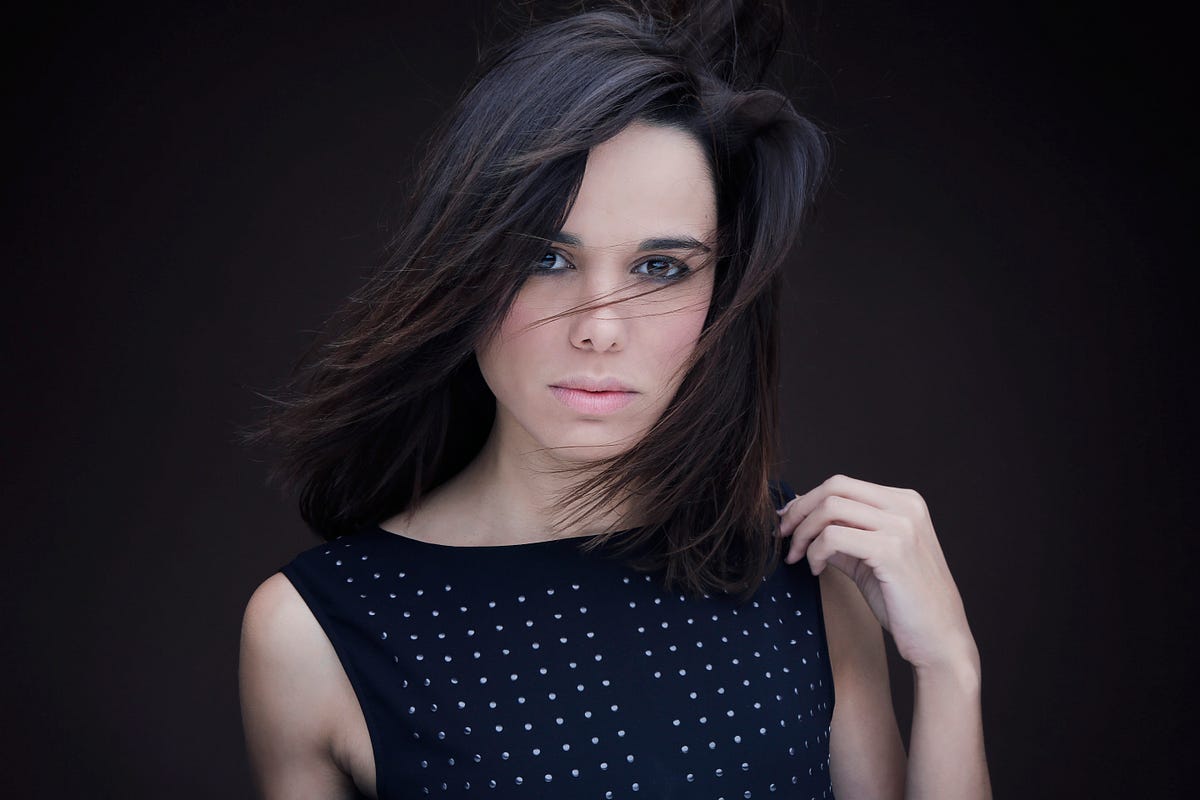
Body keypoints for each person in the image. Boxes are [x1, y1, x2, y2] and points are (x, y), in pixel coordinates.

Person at [238, 2, 992, 798]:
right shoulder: (313, 633)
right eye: (546, 259)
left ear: (720, 295)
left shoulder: (809, 570)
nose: (599, 328)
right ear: (464, 268)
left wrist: (950, 667)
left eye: (660, 268)